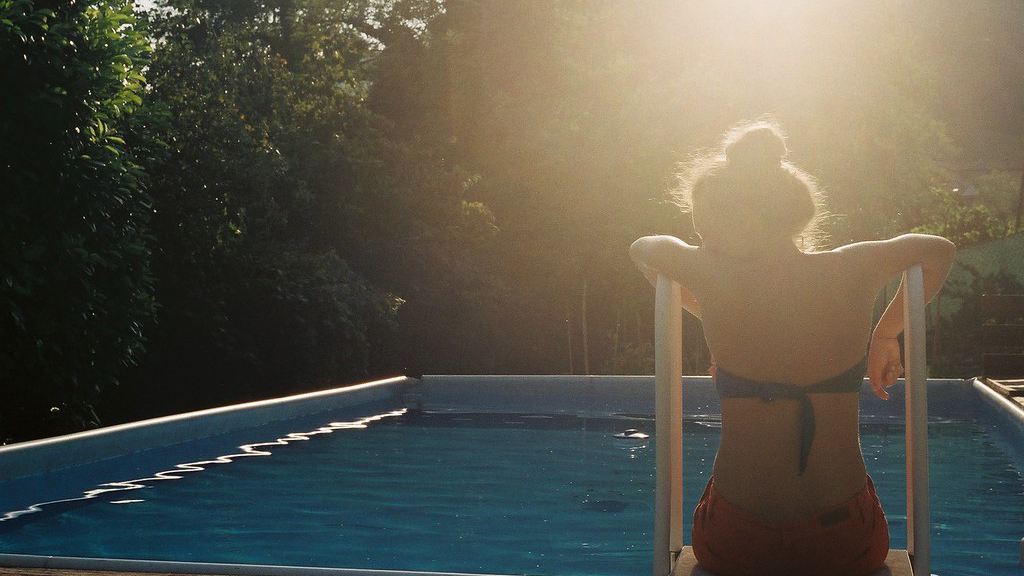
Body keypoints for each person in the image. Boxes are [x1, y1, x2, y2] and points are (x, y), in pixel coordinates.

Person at [629, 120, 955, 576]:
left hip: (736, 539)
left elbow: (644, 249)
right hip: (843, 539)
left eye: (706, 228)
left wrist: (711, 312)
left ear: (746, 221)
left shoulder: (710, 273)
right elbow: (938, 250)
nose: (703, 242)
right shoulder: (852, 267)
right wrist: (885, 333)